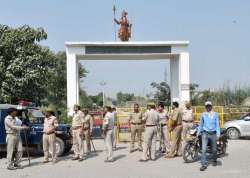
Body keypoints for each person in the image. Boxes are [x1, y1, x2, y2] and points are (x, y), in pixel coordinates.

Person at [198, 101, 220, 171]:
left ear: (211, 106)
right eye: (207, 106)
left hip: (213, 134)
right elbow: (201, 124)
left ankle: (214, 160)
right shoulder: (203, 114)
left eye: (209, 106)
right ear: (205, 107)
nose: (208, 107)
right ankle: (204, 164)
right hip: (205, 133)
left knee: (214, 149)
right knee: (204, 150)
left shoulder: (215, 114)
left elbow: (217, 125)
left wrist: (218, 134)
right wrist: (198, 133)